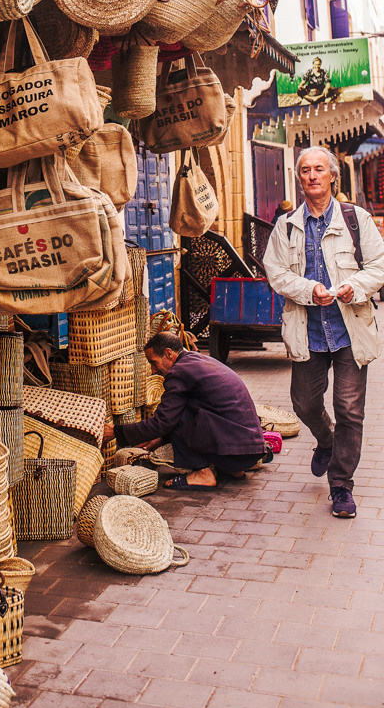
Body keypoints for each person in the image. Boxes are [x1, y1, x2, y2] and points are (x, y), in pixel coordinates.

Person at [264, 146, 384, 518]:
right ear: (298, 178)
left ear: (333, 175)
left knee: (349, 410)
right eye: (305, 170)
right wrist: (308, 290)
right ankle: (326, 439)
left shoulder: (356, 218)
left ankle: (341, 486)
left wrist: (356, 286)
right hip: (308, 331)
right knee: (303, 403)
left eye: (319, 169)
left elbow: (379, 266)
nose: (312, 175)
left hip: (349, 331)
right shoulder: (286, 225)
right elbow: (276, 272)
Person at [111, 332, 266, 490]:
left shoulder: (179, 372)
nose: (153, 370)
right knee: (180, 414)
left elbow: (162, 423)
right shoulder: (196, 360)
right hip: (250, 450)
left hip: (236, 453)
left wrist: (116, 432)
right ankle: (234, 471)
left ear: (168, 353)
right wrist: (162, 438)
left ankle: (203, 474)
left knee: (176, 417)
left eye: (153, 362)